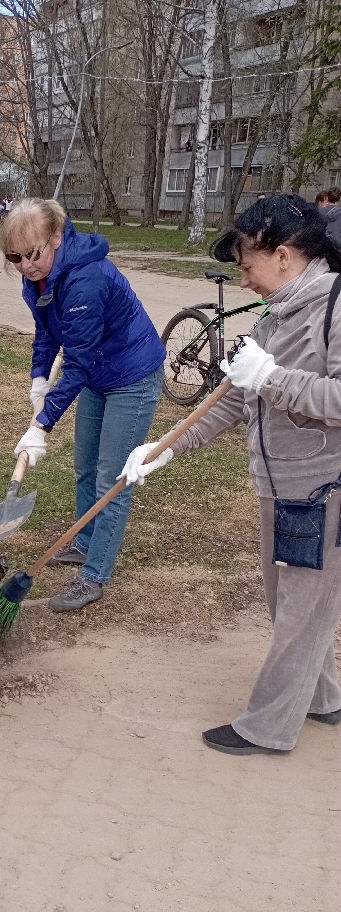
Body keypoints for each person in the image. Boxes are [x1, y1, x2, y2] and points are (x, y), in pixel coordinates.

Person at [121, 193, 341, 756]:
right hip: (281, 483)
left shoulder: (335, 307)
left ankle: (268, 728)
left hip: (324, 488)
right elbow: (232, 400)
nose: (245, 282)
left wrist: (273, 379)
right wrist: (168, 447)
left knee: (300, 609)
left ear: (284, 256)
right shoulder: (278, 317)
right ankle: (323, 698)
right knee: (290, 603)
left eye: (248, 267)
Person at [2, 197, 165, 611]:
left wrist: (42, 425)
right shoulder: (35, 277)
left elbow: (78, 360)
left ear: (56, 237)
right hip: (96, 374)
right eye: (14, 257)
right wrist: (39, 380)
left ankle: (94, 576)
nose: (25, 265)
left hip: (131, 376)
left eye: (33, 254)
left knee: (113, 478)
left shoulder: (85, 279)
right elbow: (46, 333)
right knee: (85, 468)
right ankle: (84, 541)